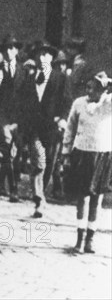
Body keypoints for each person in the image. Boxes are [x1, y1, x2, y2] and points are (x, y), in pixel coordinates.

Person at [16, 42, 70, 218]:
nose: (42, 58)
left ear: (51, 58)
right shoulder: (29, 79)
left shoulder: (60, 78)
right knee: (39, 163)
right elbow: (22, 104)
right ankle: (38, 199)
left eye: (46, 55)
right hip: (35, 129)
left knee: (50, 165)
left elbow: (67, 101)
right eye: (39, 55)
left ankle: (42, 194)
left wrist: (62, 119)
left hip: (53, 128)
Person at [62, 71, 112, 254]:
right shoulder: (79, 103)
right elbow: (69, 129)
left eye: (93, 88)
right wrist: (66, 153)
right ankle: (79, 239)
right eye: (88, 87)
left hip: (102, 155)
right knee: (82, 197)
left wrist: (108, 84)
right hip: (81, 153)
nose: (88, 91)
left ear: (102, 90)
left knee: (96, 198)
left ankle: (90, 239)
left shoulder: (108, 104)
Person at [0, 36, 24, 203]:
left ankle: (0, 182)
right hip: (1, 115)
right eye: (6, 48)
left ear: (16, 51)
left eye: (13, 48)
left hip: (17, 116)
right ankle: (14, 189)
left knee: (14, 152)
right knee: (9, 151)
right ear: (2, 52)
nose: (10, 51)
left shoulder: (23, 71)